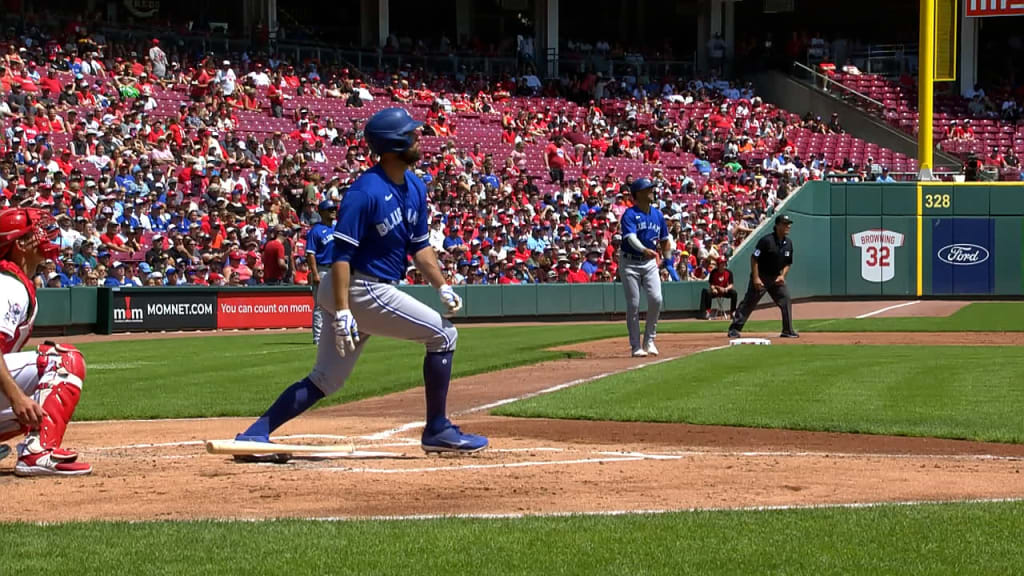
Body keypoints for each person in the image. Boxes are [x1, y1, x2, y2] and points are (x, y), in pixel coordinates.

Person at [233, 107, 487, 458]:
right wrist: (340, 311)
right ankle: (438, 429)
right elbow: (340, 257)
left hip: (367, 290)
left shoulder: (414, 186)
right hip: (358, 287)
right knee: (444, 335)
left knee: (325, 379)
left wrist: (441, 285)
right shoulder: (365, 192)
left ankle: (254, 433)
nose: (418, 139)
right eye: (411, 135)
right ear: (394, 143)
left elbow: (420, 247)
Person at [0, 208, 92, 476]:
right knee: (63, 359)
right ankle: (37, 453)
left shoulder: (14, 280)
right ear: (19, 244)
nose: (45, 234)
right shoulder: (8, 285)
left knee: (38, 398)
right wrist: (16, 397)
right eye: (34, 232)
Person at [618, 177, 670, 357]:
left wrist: (668, 261)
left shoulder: (658, 215)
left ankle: (649, 340)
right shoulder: (629, 214)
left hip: (649, 263)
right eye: (648, 189)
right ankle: (635, 346)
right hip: (630, 261)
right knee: (633, 304)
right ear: (638, 194)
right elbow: (630, 238)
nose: (652, 191)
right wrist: (643, 249)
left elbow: (664, 240)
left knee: (656, 299)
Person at [728, 214, 798, 338]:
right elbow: (754, 258)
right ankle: (734, 328)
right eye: (785, 224)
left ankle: (787, 330)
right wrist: (756, 278)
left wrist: (783, 276)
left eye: (789, 224)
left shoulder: (788, 243)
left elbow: (788, 263)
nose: (788, 226)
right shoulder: (766, 241)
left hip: (776, 277)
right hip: (762, 276)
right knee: (750, 302)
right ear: (777, 226)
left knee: (785, 299)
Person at [306, 200, 336, 344]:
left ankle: (333, 334)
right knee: (320, 304)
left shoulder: (338, 227)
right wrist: (315, 273)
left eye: (334, 209)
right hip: (322, 269)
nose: (333, 211)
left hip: (337, 269)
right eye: (330, 209)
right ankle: (318, 337)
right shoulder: (316, 230)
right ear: (322, 212)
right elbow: (310, 253)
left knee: (338, 303)